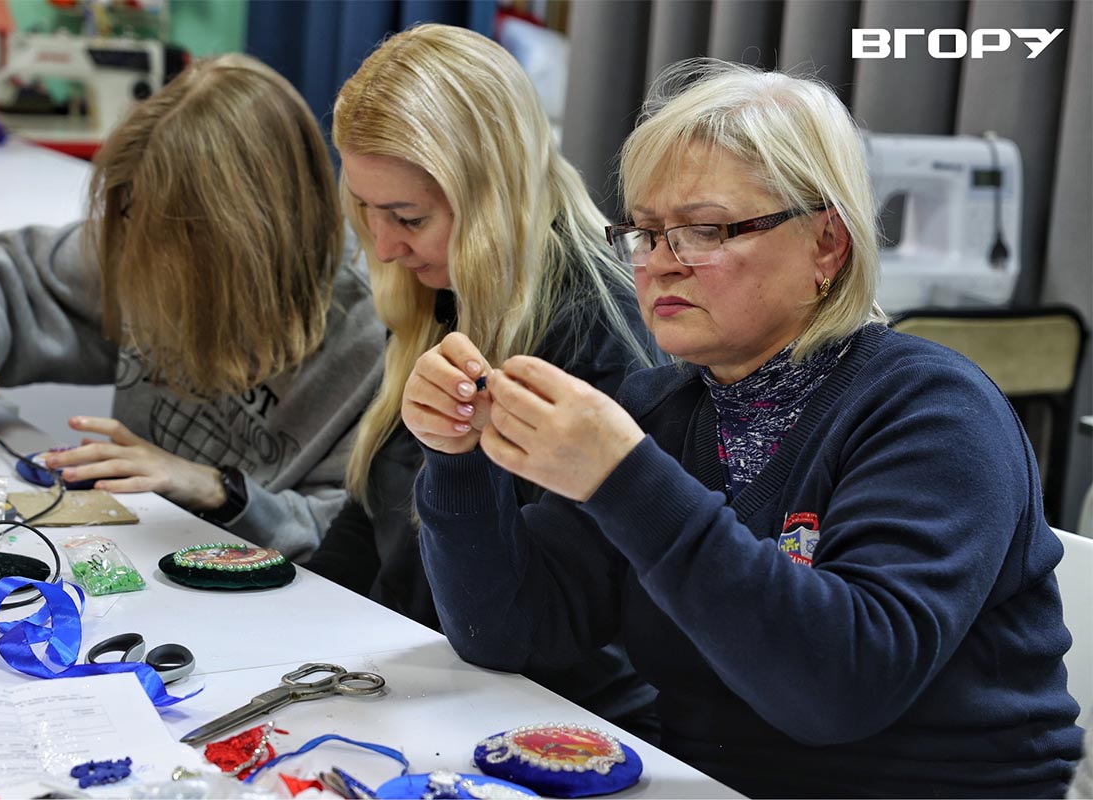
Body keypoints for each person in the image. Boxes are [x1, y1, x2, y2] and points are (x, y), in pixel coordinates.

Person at [407, 59, 1083, 797]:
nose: (661, 265)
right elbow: (504, 633)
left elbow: (839, 688)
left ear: (827, 244)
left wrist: (626, 479)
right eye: (645, 231)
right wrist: (457, 461)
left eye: (703, 230)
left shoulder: (934, 413)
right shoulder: (662, 411)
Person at [303, 24, 661, 739]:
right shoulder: (446, 288)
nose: (383, 246)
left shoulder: (601, 341)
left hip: (546, 720)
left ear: (495, 198)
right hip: (439, 685)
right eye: (365, 211)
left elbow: (518, 628)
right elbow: (377, 508)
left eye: (407, 217)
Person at [0, 54, 385, 561]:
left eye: (177, 239)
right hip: (139, 553)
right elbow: (0, 271)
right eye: (134, 220)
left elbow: (347, 544)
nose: (148, 257)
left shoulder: (372, 330)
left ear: (249, 233)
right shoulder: (147, 231)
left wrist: (213, 488)